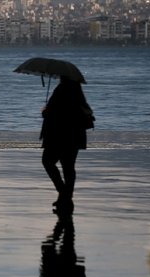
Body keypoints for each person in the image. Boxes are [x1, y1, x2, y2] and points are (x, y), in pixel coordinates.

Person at [40, 75, 91, 215]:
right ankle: (65, 196)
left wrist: (45, 112)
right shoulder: (77, 92)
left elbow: (56, 113)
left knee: (48, 162)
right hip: (74, 137)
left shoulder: (62, 90)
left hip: (59, 136)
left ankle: (64, 195)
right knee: (68, 168)